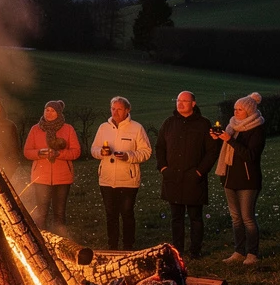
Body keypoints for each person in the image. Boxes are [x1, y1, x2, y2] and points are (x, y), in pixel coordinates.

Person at [155, 91, 219, 257]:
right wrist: (163, 168)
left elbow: (212, 151)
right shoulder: (169, 123)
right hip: (173, 177)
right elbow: (160, 147)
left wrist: (199, 172)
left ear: (193, 103)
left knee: (195, 217)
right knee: (176, 218)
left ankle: (195, 251)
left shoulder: (203, 124)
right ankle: (178, 251)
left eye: (184, 101)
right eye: (178, 100)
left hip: (194, 178)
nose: (180, 103)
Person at [90, 96, 152, 250]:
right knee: (110, 213)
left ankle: (128, 245)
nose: (115, 112)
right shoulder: (103, 128)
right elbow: (94, 149)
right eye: (113, 109)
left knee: (126, 213)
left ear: (127, 110)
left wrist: (129, 156)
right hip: (107, 179)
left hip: (128, 179)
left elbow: (146, 151)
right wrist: (101, 152)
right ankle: (112, 245)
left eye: (119, 109)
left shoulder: (136, 128)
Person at [213, 93, 266, 265]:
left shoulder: (257, 129)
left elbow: (250, 155)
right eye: (235, 109)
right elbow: (225, 149)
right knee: (236, 218)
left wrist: (230, 141)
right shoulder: (232, 126)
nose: (236, 112)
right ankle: (239, 251)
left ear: (249, 111)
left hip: (248, 180)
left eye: (240, 109)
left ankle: (252, 253)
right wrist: (218, 138)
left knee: (247, 218)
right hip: (230, 178)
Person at [23, 100, 80, 234]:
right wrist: (39, 153)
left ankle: (60, 242)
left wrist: (58, 154)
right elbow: (27, 152)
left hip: (62, 179)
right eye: (46, 110)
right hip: (41, 178)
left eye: (52, 110)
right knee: (41, 214)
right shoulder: (35, 129)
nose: (48, 113)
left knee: (59, 214)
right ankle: (41, 242)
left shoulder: (68, 129)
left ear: (58, 113)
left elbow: (76, 152)